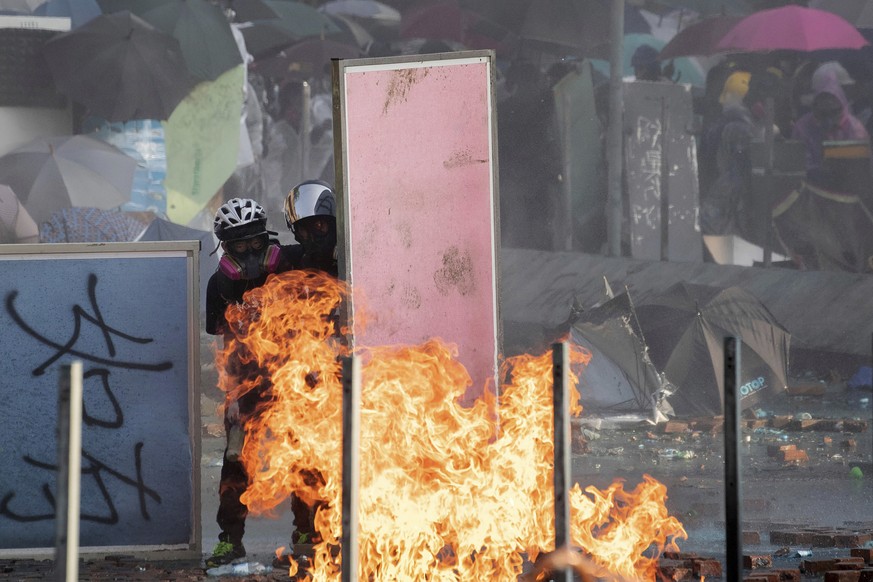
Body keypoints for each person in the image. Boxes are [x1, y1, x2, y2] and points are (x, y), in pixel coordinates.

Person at [205, 197, 301, 568]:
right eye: (238, 245)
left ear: (268, 239)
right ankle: (230, 541)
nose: (248, 253)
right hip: (246, 388)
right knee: (235, 463)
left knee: (305, 460)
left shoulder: (292, 265)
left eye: (255, 243)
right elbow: (219, 337)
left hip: (294, 382)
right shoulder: (219, 285)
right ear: (224, 247)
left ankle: (309, 537)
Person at [791, 69, 869, 190]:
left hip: (850, 189)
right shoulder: (802, 127)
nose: (828, 118)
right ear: (815, 106)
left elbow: (862, 163)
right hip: (811, 190)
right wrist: (817, 172)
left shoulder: (854, 127)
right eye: (823, 113)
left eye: (833, 112)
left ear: (841, 106)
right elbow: (798, 163)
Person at [284, 179, 339, 277]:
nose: (313, 236)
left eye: (319, 225)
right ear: (297, 234)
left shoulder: (350, 260)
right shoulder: (300, 258)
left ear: (332, 224)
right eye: (303, 230)